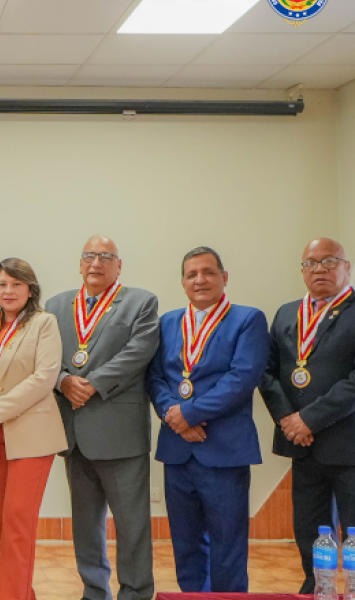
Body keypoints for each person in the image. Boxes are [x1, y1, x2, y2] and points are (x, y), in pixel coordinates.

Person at [45, 235, 159, 600]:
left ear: (119, 265)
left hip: (120, 433)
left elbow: (138, 353)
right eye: (89, 256)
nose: (96, 263)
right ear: (80, 264)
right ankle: (94, 591)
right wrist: (63, 380)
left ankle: (136, 592)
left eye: (106, 257)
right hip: (74, 431)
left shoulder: (141, 302)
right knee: (85, 524)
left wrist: (91, 384)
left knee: (132, 525)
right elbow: (46, 355)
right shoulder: (56, 305)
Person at [148, 247, 268, 592]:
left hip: (224, 451)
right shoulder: (168, 322)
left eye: (208, 272)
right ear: (183, 282)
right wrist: (175, 417)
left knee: (227, 547)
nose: (199, 280)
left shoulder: (248, 319)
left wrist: (188, 414)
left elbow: (242, 378)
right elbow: (155, 378)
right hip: (177, 450)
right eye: (191, 274)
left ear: (224, 277)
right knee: (185, 545)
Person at [259, 237, 355, 593]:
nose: (319, 269)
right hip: (303, 445)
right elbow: (266, 372)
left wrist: (309, 419)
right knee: (309, 529)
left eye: (329, 261)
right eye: (310, 263)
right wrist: (288, 419)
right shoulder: (287, 313)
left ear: (347, 267)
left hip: (347, 444)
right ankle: (317, 587)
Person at [0, 258, 67, 600]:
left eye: (16, 284)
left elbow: (45, 378)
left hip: (31, 436)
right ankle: (23, 594)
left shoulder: (44, 323)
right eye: (1, 284)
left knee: (17, 527)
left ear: (30, 289)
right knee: (7, 525)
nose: (8, 291)